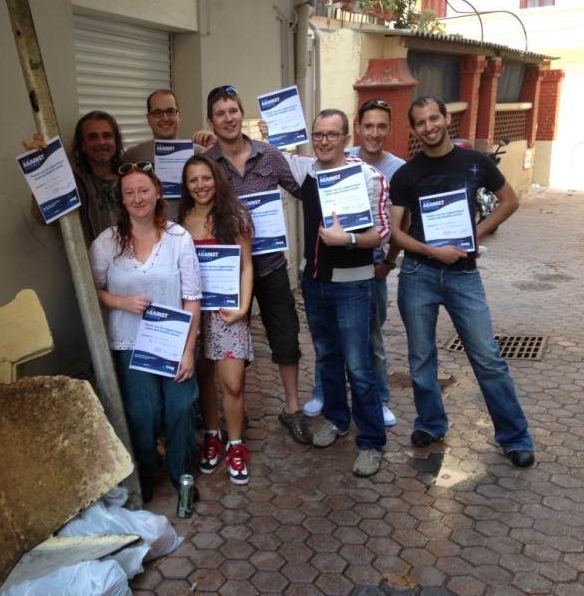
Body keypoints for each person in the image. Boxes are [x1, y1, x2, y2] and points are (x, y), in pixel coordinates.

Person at [389, 95, 535, 468]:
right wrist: (431, 251)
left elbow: (509, 201)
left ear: (446, 119)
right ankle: (431, 423)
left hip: (463, 275)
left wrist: (475, 233)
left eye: (434, 118)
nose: (429, 127)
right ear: (415, 128)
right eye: (421, 122)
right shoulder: (406, 174)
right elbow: (394, 232)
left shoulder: (475, 162)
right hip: (418, 274)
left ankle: (514, 436)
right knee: (421, 359)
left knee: (487, 358)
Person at [89, 161, 203, 501]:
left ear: (157, 194)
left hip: (172, 342)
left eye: (143, 190)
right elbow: (89, 290)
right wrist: (121, 302)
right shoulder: (107, 243)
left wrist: (187, 351)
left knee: (180, 408)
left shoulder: (178, 238)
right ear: (121, 200)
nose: (137, 198)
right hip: (130, 343)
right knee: (144, 411)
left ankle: (183, 476)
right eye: (129, 192)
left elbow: (192, 297)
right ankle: (147, 466)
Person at [204, 85, 311, 445]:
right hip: (228, 272)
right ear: (211, 121)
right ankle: (236, 409)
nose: (228, 118)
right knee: (232, 345)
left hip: (269, 266)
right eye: (220, 113)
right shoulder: (207, 163)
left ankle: (293, 409)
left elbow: (303, 189)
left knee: (285, 336)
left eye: (233, 110)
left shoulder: (269, 154)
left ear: (241, 113)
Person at [302, 99, 405, 428]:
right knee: (328, 357)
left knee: (360, 365)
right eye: (318, 135)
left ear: (347, 138)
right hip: (315, 282)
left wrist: (347, 240)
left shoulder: (369, 176)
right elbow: (270, 158)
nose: (324, 141)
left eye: (332, 135)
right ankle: (336, 421)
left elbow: (384, 232)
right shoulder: (307, 171)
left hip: (353, 285)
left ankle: (372, 438)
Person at [177, 154, 254, 484]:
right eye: (193, 180)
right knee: (204, 379)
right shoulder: (179, 223)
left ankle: (235, 445)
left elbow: (247, 266)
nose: (200, 186)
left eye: (205, 178)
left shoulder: (234, 216)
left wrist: (243, 308)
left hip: (228, 312)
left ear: (216, 179)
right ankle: (212, 436)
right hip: (195, 313)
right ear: (186, 185)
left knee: (233, 383)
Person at [24, 110, 124, 244]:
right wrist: (43, 167)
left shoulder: (130, 178)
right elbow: (43, 218)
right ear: (82, 145)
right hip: (92, 264)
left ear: (116, 142)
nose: (101, 142)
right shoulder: (71, 182)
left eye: (107, 136)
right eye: (93, 137)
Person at [123, 89, 207, 163]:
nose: (165, 118)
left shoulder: (199, 152)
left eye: (170, 111)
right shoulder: (133, 156)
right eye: (158, 113)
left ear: (179, 116)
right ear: (148, 118)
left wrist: (214, 144)